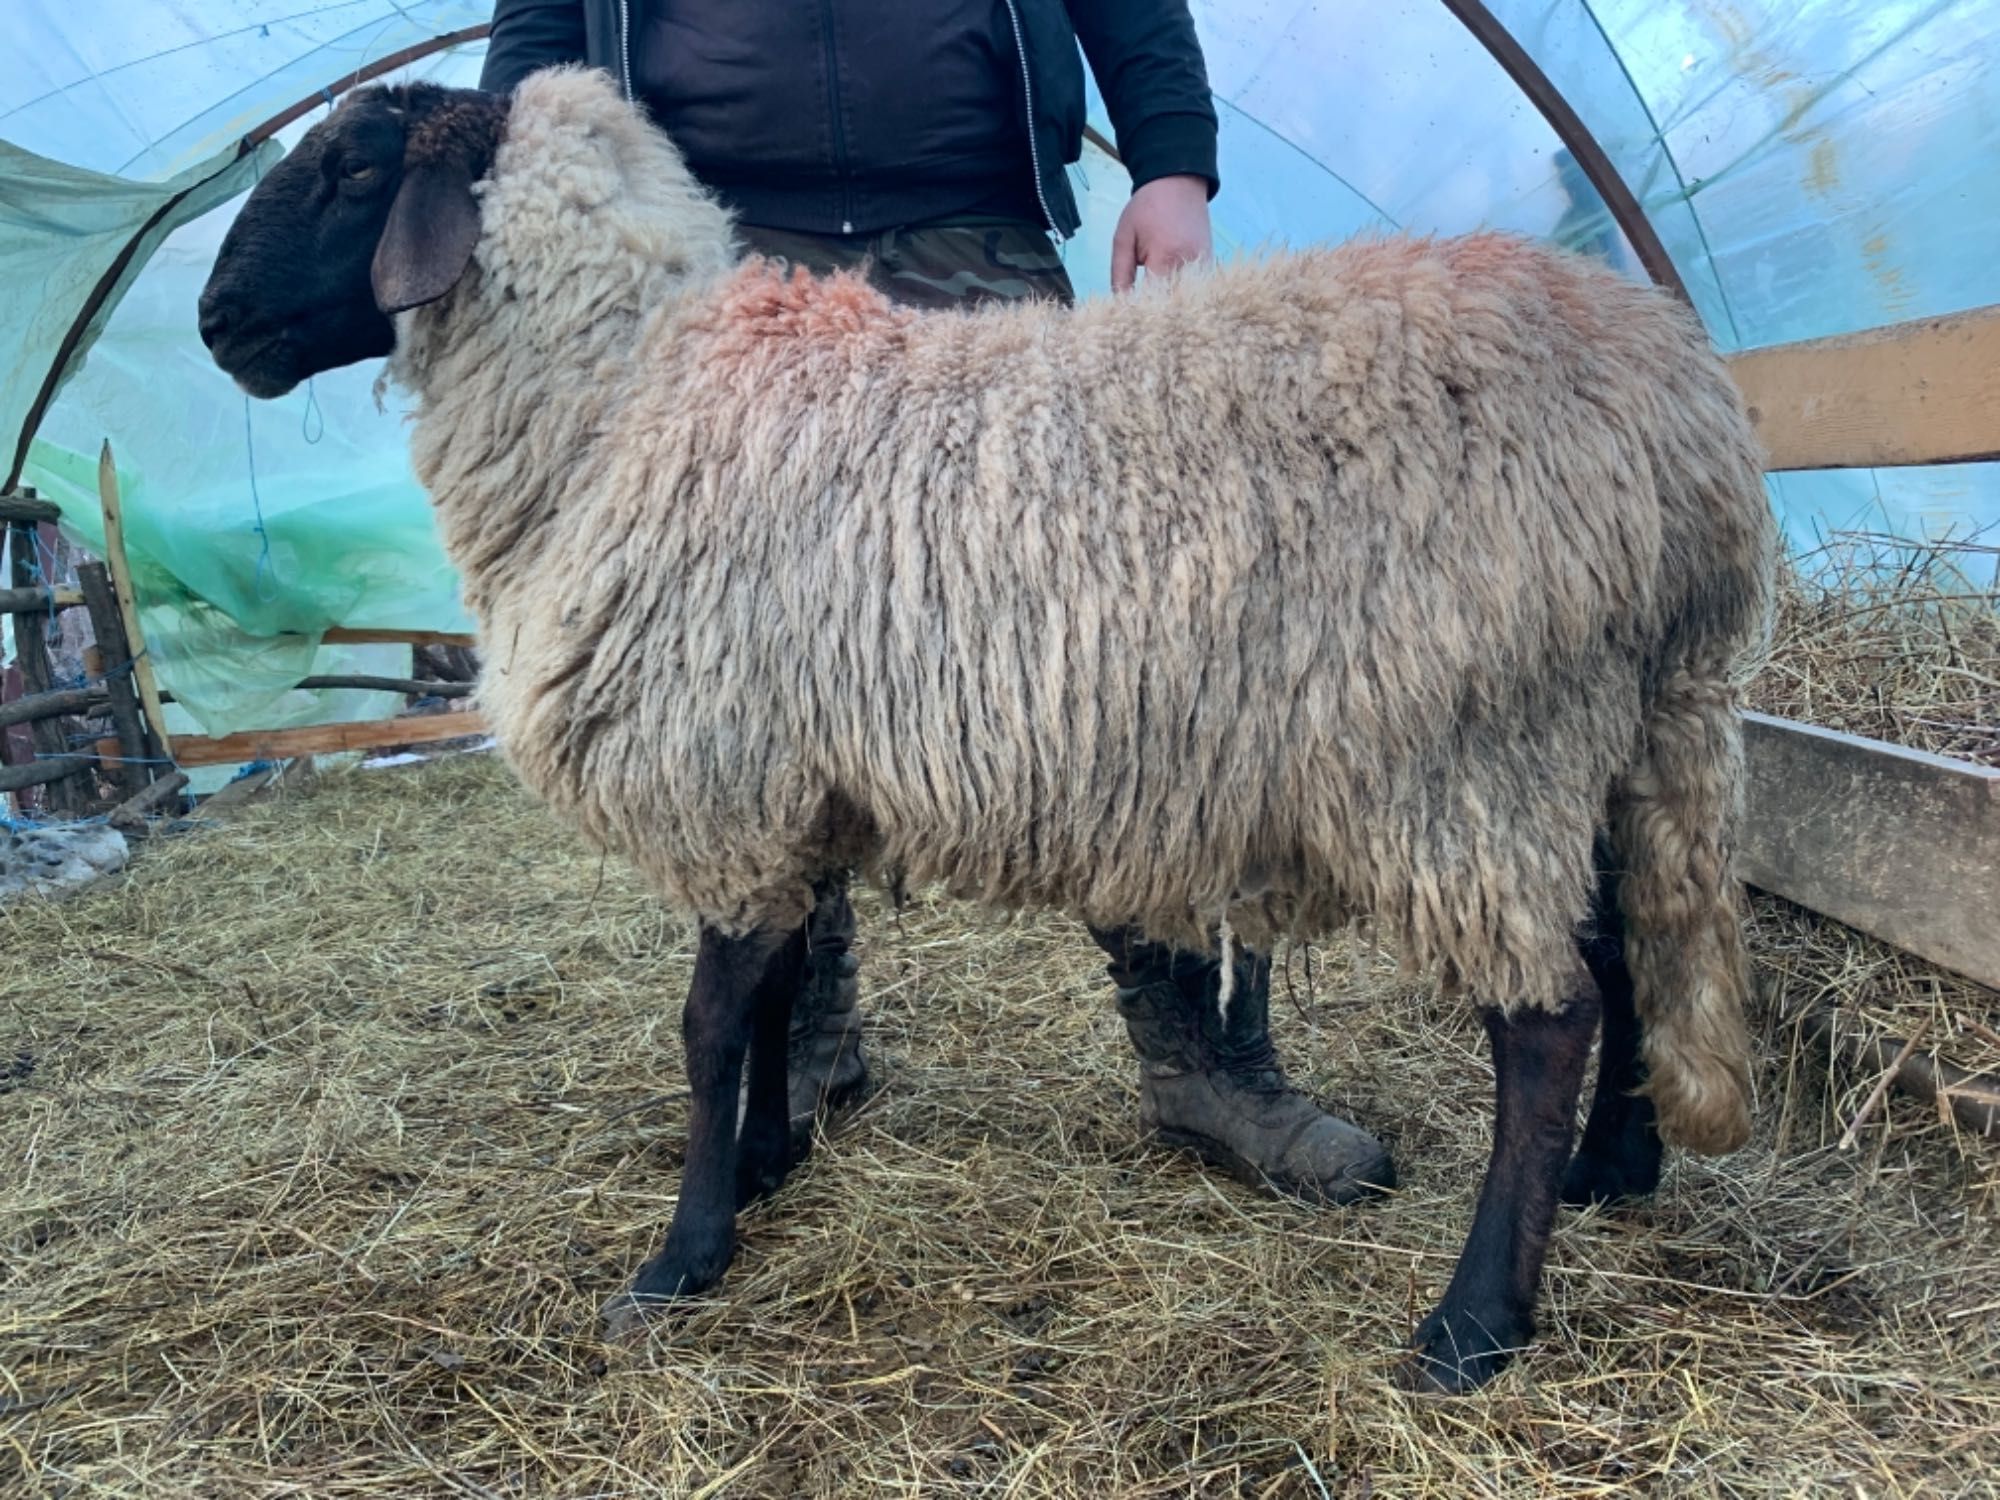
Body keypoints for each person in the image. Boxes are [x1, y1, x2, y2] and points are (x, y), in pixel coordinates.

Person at [480, 0, 1392, 1202]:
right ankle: (803, 1055)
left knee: (1122, 664)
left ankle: (1211, 1065)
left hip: (977, 239)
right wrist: (512, 178)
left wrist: (1171, 163)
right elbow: (540, 27)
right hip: (722, 254)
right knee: (755, 700)